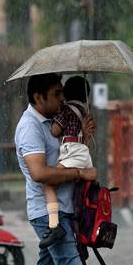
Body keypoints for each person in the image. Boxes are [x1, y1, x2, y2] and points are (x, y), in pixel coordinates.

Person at [11, 73, 101, 265]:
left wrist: (84, 135)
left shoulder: (54, 121)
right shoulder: (30, 128)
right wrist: (79, 173)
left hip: (66, 209)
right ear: (38, 97)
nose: (63, 98)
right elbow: (39, 173)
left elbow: (70, 151)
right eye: (57, 93)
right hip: (48, 215)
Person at [39, 76, 93, 247]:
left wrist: (53, 122)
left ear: (66, 93)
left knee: (48, 185)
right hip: (83, 152)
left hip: (72, 152)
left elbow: (55, 131)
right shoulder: (85, 111)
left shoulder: (65, 110)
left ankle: (54, 226)